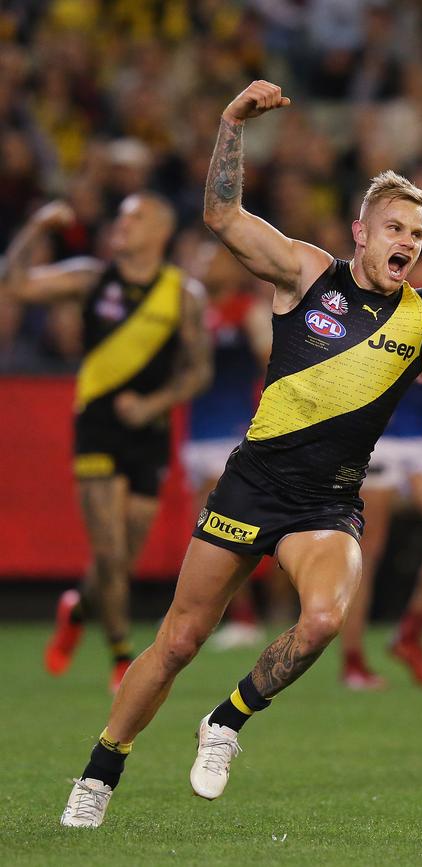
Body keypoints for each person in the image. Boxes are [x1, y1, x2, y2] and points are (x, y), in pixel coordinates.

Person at [58, 81, 422, 828]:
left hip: (327, 504)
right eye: (395, 227)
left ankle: (227, 720)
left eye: (418, 232)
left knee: (326, 619)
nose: (408, 241)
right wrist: (231, 123)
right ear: (362, 235)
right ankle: (101, 770)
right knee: (177, 639)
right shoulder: (305, 274)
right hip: (251, 484)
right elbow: (221, 216)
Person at [5, 192, 211, 693]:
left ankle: (76, 608)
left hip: (150, 431)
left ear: (160, 232)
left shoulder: (183, 293)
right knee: (110, 549)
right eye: (121, 215)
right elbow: (16, 284)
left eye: (136, 216)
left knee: (121, 556)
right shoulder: (92, 277)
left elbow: (198, 370)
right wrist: (36, 227)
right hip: (96, 424)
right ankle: (122, 656)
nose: (123, 224)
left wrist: (154, 404)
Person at [340, 358, 422, 690]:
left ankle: (409, 635)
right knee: (365, 552)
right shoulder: (363, 305)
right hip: (374, 434)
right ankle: (353, 660)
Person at [181, 242, 274, 649]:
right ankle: (234, 616)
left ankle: (247, 616)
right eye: (200, 258)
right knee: (203, 531)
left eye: (212, 257)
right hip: (196, 434)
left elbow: (272, 362)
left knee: (220, 527)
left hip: (232, 432)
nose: (205, 264)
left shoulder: (248, 310)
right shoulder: (189, 313)